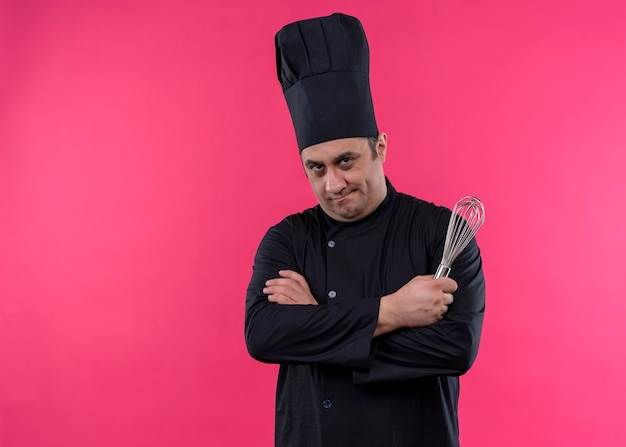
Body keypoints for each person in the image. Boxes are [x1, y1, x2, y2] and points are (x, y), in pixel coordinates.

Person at [245, 13, 485, 447]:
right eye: (315, 168)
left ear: (380, 148)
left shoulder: (443, 232)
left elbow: (455, 349)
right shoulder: (287, 239)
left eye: (346, 161)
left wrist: (314, 323)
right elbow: (263, 335)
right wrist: (393, 312)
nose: (333, 184)